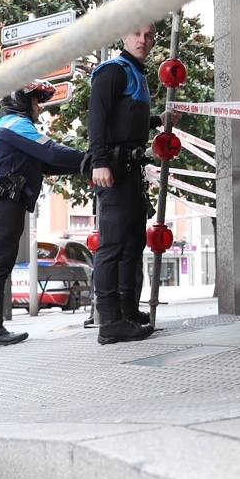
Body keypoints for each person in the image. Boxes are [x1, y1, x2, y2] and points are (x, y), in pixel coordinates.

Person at [0, 80, 86, 349]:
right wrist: (92, 159)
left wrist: (83, 164)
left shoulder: (7, 129)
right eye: (36, 101)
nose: (39, 107)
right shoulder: (16, 126)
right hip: (5, 205)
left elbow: (46, 164)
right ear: (22, 102)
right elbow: (52, 151)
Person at [89, 24, 158, 345]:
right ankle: (110, 322)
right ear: (123, 36)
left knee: (133, 243)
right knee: (113, 245)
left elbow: (126, 120)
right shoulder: (113, 71)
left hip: (131, 170)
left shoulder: (137, 74)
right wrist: (99, 160)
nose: (142, 40)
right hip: (113, 169)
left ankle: (128, 312)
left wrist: (158, 121)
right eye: (136, 33)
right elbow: (98, 118)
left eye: (149, 35)